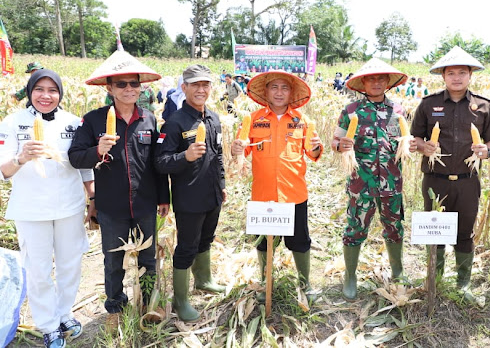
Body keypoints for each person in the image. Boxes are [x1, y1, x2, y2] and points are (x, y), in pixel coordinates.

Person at [68, 50, 170, 330]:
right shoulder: (92, 121)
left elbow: (157, 163)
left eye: (133, 84)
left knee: (148, 257)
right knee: (113, 259)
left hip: (146, 202)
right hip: (111, 205)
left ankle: (149, 302)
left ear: (140, 87)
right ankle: (115, 306)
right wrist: (95, 150)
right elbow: (75, 157)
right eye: (121, 84)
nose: (128, 89)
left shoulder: (149, 120)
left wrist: (164, 198)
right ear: (109, 88)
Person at [0, 69, 94, 348]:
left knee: (71, 263)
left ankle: (64, 313)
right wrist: (21, 157)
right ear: (30, 92)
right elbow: (4, 170)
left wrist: (92, 198)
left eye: (52, 90)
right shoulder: (12, 122)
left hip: (69, 205)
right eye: (39, 89)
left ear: (60, 94)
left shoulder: (74, 122)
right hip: (31, 209)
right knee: (39, 270)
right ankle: (48, 325)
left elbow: (85, 164)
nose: (46, 95)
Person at [410, 46, 490, 302]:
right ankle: (435, 279)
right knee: (435, 231)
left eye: (462, 72)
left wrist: (486, 152)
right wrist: (423, 146)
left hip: (468, 181)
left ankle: (463, 283)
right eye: (451, 73)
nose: (457, 77)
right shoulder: (429, 104)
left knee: (464, 232)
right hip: (435, 180)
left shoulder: (484, 106)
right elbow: (415, 137)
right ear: (443, 76)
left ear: (470, 75)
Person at [231, 70, 323, 302]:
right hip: (263, 194)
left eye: (284, 88)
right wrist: (237, 149)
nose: (279, 92)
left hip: (294, 193)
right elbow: (243, 150)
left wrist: (315, 146)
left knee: (300, 242)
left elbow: (312, 154)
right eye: (274, 88)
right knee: (264, 242)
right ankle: (265, 281)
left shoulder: (303, 121)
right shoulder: (253, 120)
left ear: (291, 93)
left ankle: (305, 284)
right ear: (266, 92)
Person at [332, 58, 416, 300]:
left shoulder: (398, 111)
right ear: (363, 82)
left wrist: (410, 145)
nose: (377, 82)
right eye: (372, 78)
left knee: (394, 227)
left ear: (388, 82)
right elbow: (335, 143)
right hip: (362, 184)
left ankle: (398, 272)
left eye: (381, 78)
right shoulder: (350, 111)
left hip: (391, 182)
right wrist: (341, 145)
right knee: (355, 228)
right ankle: (350, 275)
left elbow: (405, 142)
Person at [155, 65, 227, 321]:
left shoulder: (214, 118)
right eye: (195, 85)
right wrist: (184, 156)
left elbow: (218, 155)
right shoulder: (174, 123)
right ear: (183, 88)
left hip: (212, 193)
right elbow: (161, 162)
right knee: (187, 247)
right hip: (188, 196)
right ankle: (181, 300)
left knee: (206, 239)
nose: (201, 89)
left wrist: (222, 183)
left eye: (205, 85)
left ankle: (204, 280)